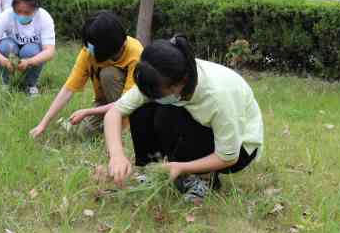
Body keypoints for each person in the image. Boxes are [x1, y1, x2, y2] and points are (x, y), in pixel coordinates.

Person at [103, 35, 264, 202]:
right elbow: (114, 112)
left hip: (239, 148)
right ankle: (153, 170)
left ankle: (204, 179)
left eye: (161, 94)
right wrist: (117, 155)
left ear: (181, 82)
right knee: (143, 108)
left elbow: (228, 156)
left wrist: (181, 167)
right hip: (199, 127)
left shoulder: (219, 97)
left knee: (173, 116)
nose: (157, 97)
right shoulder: (159, 75)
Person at [30, 11, 143, 138]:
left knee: (108, 74)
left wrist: (87, 112)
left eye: (91, 45)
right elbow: (68, 90)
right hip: (104, 104)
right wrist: (43, 124)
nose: (88, 48)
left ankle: (124, 127)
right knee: (81, 133)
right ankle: (106, 123)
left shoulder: (135, 53)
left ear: (104, 47)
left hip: (131, 106)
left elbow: (126, 102)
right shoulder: (89, 52)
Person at [0, 0, 55, 96]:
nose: (22, 15)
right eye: (18, 11)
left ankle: (31, 85)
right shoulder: (5, 16)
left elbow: (50, 51)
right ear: (13, 7)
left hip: (31, 50)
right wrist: (5, 62)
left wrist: (29, 62)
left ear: (36, 9)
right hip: (11, 46)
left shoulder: (44, 17)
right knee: (5, 47)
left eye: (27, 12)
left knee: (31, 50)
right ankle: (6, 82)